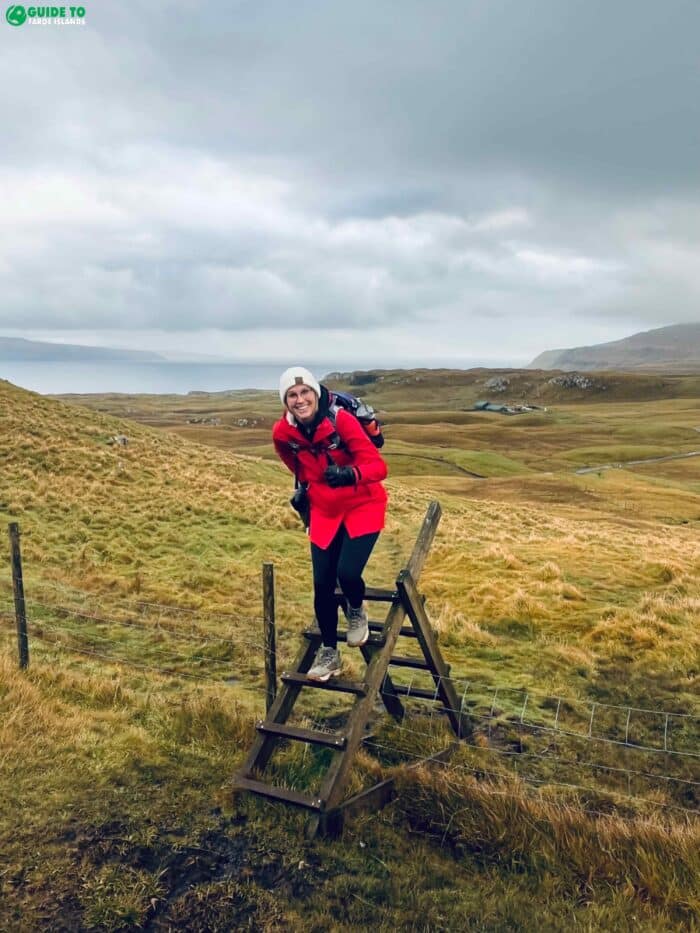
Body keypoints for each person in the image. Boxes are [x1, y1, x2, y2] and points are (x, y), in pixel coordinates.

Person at [272, 366, 388, 681]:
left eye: (305, 392)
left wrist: (351, 474)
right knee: (322, 584)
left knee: (347, 573)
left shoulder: (342, 420)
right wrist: (305, 494)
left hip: (363, 503)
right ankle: (329, 653)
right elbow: (297, 465)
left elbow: (378, 466)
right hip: (324, 509)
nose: (300, 400)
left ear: (315, 392)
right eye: (292, 395)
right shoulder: (283, 433)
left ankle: (355, 609)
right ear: (286, 401)